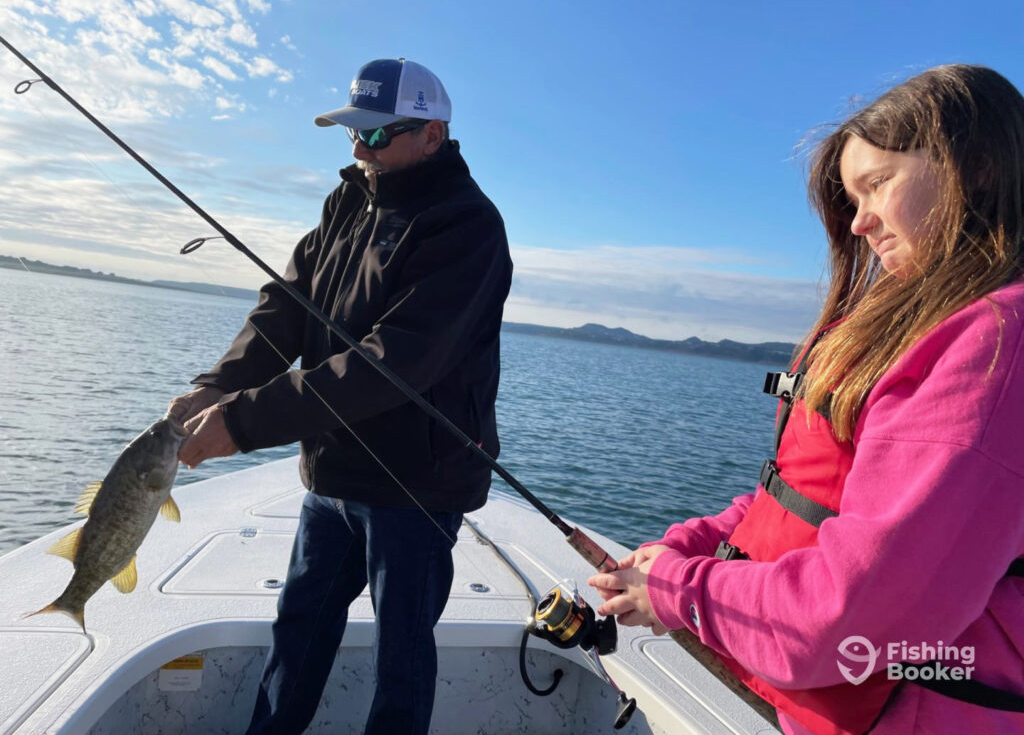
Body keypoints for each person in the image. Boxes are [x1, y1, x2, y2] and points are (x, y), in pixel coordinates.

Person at [589, 64, 1024, 735]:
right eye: (853, 198)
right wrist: (684, 547)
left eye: (878, 184)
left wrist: (678, 590)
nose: (860, 223)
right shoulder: (933, 324)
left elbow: (858, 613)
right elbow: (808, 494)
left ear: (982, 165)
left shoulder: (995, 344)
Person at [167, 57, 513, 735]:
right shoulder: (348, 199)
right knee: (299, 627)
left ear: (433, 135)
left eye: (378, 136)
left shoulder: (468, 227)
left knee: (400, 656)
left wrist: (242, 423)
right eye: (353, 132)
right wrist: (216, 387)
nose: (359, 148)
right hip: (331, 471)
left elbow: (391, 363)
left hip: (418, 486)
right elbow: (285, 309)